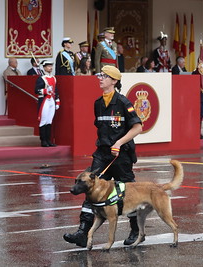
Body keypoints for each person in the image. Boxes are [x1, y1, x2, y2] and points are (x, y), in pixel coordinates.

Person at [63, 65, 143, 248]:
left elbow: (138, 127)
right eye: (100, 75)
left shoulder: (123, 103)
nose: (100, 78)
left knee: (128, 192)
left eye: (104, 76)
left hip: (121, 155)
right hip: (102, 154)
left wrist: (119, 143)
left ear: (114, 81)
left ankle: (136, 231)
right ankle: (83, 232)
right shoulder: (98, 103)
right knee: (90, 189)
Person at [35, 61, 60, 147]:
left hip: (52, 101)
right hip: (44, 100)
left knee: (49, 121)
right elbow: (36, 90)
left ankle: (49, 140)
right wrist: (46, 90)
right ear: (44, 67)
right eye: (49, 66)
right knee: (43, 121)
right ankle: (43, 140)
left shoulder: (54, 78)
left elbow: (56, 90)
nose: (50, 68)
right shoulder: (41, 78)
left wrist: (57, 100)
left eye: (51, 66)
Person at [192, 57, 203, 139]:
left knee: (201, 115)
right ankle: (195, 133)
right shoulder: (196, 72)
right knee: (197, 115)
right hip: (197, 97)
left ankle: (199, 133)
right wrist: (198, 69)